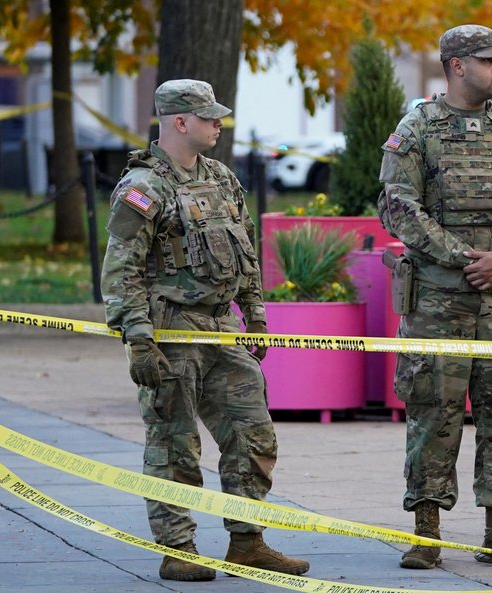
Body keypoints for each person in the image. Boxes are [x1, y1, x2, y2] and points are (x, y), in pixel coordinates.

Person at [101, 79, 309, 581]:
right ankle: (179, 549)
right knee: (174, 444)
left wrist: (254, 314)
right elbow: (121, 268)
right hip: (170, 328)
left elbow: (245, 250)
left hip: (220, 329)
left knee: (252, 433)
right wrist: (137, 337)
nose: (218, 123)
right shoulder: (143, 187)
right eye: (209, 116)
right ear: (179, 121)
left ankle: (247, 542)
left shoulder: (220, 178)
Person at [378, 25, 492, 570]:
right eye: (487, 60)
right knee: (433, 406)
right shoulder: (418, 128)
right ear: (456, 65)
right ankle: (426, 531)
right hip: (437, 295)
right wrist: (460, 256)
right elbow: (398, 207)